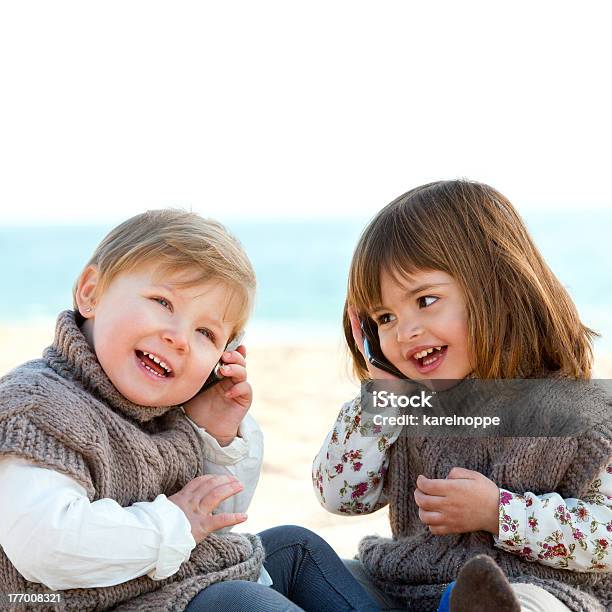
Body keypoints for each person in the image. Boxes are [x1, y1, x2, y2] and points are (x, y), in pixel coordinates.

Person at [0, 209, 378, 612]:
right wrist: (175, 523)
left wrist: (213, 436)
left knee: (296, 546)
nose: (179, 338)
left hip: (165, 586)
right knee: (240, 600)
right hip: (76, 604)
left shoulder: (164, 412)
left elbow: (216, 521)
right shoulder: (38, 405)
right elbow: (48, 544)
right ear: (91, 293)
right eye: (162, 302)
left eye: (205, 333)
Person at [312, 180, 612, 612]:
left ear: (497, 287)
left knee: (527, 604)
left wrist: (499, 512)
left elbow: (605, 537)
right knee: (292, 550)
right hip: (410, 588)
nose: (405, 331)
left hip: (535, 590)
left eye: (426, 299)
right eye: (385, 317)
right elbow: (344, 496)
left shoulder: (583, 416)